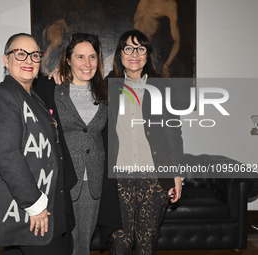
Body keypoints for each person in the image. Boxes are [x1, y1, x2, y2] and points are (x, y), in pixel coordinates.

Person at [0, 33, 77, 255]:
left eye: (34, 55)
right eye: (20, 53)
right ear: (6, 60)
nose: (29, 60)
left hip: (45, 206)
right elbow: (7, 156)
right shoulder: (3, 97)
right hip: (31, 212)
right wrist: (35, 205)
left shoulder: (31, 96)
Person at [35, 33, 121, 255]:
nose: (87, 63)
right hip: (62, 178)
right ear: (68, 60)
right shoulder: (50, 87)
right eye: (80, 56)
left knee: (83, 242)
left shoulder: (107, 90)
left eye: (92, 57)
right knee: (60, 241)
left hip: (92, 178)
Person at [106, 29, 183, 255]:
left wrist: (177, 176)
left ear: (148, 54)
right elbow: (78, 88)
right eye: (128, 48)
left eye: (141, 48)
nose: (134, 53)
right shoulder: (108, 84)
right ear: (120, 54)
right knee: (119, 243)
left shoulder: (161, 87)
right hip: (118, 178)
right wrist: (56, 76)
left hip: (153, 177)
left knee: (146, 245)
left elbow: (174, 134)